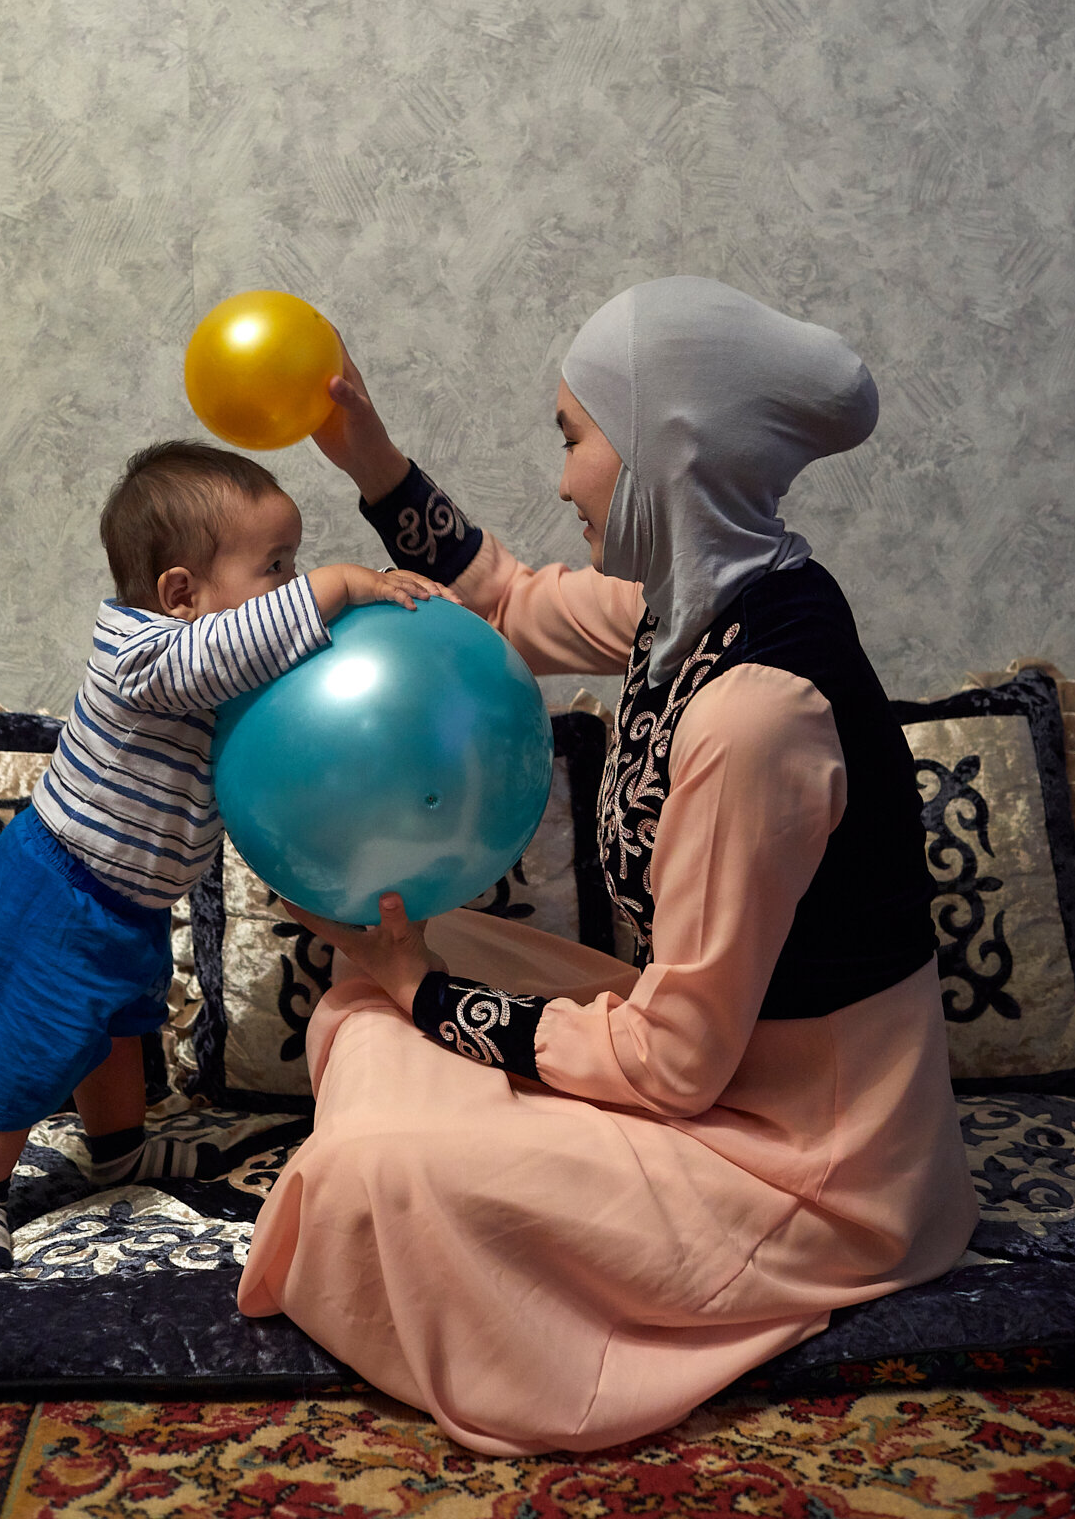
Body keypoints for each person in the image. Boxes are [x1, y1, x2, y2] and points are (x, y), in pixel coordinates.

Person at [238, 277, 979, 1456]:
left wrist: (425, 994)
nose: (565, 474)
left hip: (808, 1157)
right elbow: (508, 604)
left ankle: (440, 1187)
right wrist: (369, 460)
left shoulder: (755, 714)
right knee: (388, 944)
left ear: (668, 449)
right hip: (716, 1058)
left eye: (575, 437)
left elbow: (680, 1064)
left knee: (375, 1154)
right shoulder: (686, 600)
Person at [0, 438, 450, 1270]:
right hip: (52, 892)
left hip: (128, 905)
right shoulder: (141, 656)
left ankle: (119, 1151)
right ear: (179, 593)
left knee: (117, 1032)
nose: (292, 584)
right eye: (276, 567)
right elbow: (232, 645)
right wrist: (346, 583)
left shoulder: (209, 674)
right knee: (28, 1042)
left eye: (296, 565)